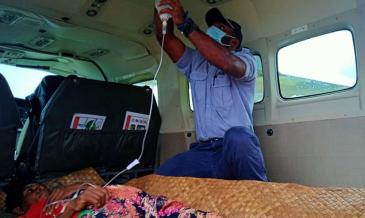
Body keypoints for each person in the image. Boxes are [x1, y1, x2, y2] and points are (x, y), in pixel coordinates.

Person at [153, 0, 268, 181]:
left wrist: (186, 25)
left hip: (234, 149)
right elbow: (165, 39)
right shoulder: (195, 62)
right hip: (204, 152)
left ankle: (261, 194)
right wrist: (160, 8)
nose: (212, 30)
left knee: (239, 136)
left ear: (234, 41)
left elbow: (228, 64)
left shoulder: (246, 59)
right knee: (161, 178)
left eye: (220, 27)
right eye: (211, 27)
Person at [5, 181, 218, 218]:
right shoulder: (31, 215)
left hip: (127, 198)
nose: (38, 188)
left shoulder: (61, 190)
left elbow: (93, 185)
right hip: (95, 213)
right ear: (18, 209)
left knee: (179, 212)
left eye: (38, 185)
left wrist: (77, 187)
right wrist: (72, 207)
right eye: (30, 191)